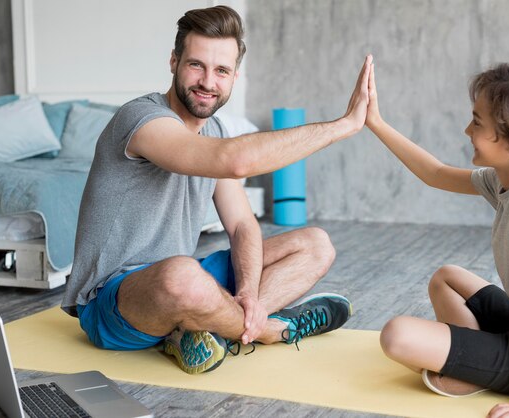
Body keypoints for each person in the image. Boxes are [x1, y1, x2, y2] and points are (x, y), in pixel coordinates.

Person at [61, 5, 373, 375]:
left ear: (234, 77)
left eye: (221, 70)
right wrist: (343, 126)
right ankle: (272, 329)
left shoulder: (216, 129)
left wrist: (250, 294)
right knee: (181, 276)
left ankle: (212, 327)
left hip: (185, 280)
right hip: (112, 301)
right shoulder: (141, 119)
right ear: (174, 62)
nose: (208, 82)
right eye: (196, 65)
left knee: (316, 243)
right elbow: (233, 160)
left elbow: (242, 224)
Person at [366, 62, 509, 416]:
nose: (467, 129)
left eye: (478, 122)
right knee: (447, 277)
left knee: (397, 336)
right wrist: (375, 122)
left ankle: (472, 370)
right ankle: (472, 364)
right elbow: (435, 173)